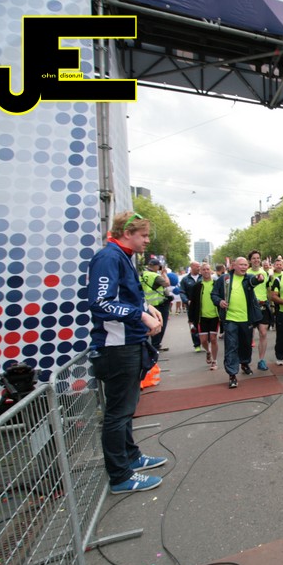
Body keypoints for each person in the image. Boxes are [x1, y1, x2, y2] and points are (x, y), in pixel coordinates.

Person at [87, 211, 167, 494]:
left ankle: (131, 456)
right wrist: (140, 315)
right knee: (118, 413)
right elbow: (100, 302)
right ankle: (120, 475)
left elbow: (125, 295)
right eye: (143, 235)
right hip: (117, 348)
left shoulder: (122, 257)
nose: (147, 240)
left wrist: (147, 307)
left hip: (128, 344)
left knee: (126, 409)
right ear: (127, 233)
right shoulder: (109, 258)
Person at [211, 257, 266, 389]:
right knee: (231, 346)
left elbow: (254, 281)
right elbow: (214, 294)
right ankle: (232, 374)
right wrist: (219, 301)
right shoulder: (224, 279)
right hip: (230, 319)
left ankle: (245, 363)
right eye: (241, 265)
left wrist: (259, 279)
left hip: (246, 319)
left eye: (245, 265)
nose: (243, 267)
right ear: (234, 265)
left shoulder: (249, 278)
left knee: (246, 345)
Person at [188, 263, 220, 371]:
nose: (206, 271)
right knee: (203, 340)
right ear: (200, 271)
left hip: (215, 316)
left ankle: (214, 361)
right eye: (204, 269)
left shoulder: (216, 284)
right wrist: (191, 319)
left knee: (213, 339)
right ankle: (208, 351)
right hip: (202, 317)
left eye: (207, 269)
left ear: (211, 271)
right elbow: (193, 303)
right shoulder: (197, 286)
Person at [247, 250, 273, 370]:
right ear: (250, 260)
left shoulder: (265, 273)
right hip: (250, 307)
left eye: (258, 258)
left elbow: (268, 289)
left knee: (263, 333)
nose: (256, 260)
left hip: (263, 305)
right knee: (248, 335)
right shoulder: (246, 273)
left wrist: (270, 303)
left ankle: (261, 360)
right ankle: (246, 361)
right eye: (254, 258)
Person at [141, 258, 170, 351]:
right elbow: (167, 283)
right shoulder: (155, 276)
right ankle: (155, 345)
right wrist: (164, 274)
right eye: (158, 266)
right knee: (160, 325)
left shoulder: (142, 275)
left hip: (147, 304)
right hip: (159, 304)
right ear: (155, 266)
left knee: (149, 325)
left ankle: (151, 345)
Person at [180, 261, 203, 352]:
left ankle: (205, 341)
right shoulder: (185, 279)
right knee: (193, 325)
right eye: (197, 266)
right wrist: (187, 301)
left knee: (204, 324)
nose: (198, 268)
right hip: (192, 307)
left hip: (204, 305)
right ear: (192, 267)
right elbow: (182, 292)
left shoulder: (203, 277)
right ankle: (197, 344)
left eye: (199, 266)